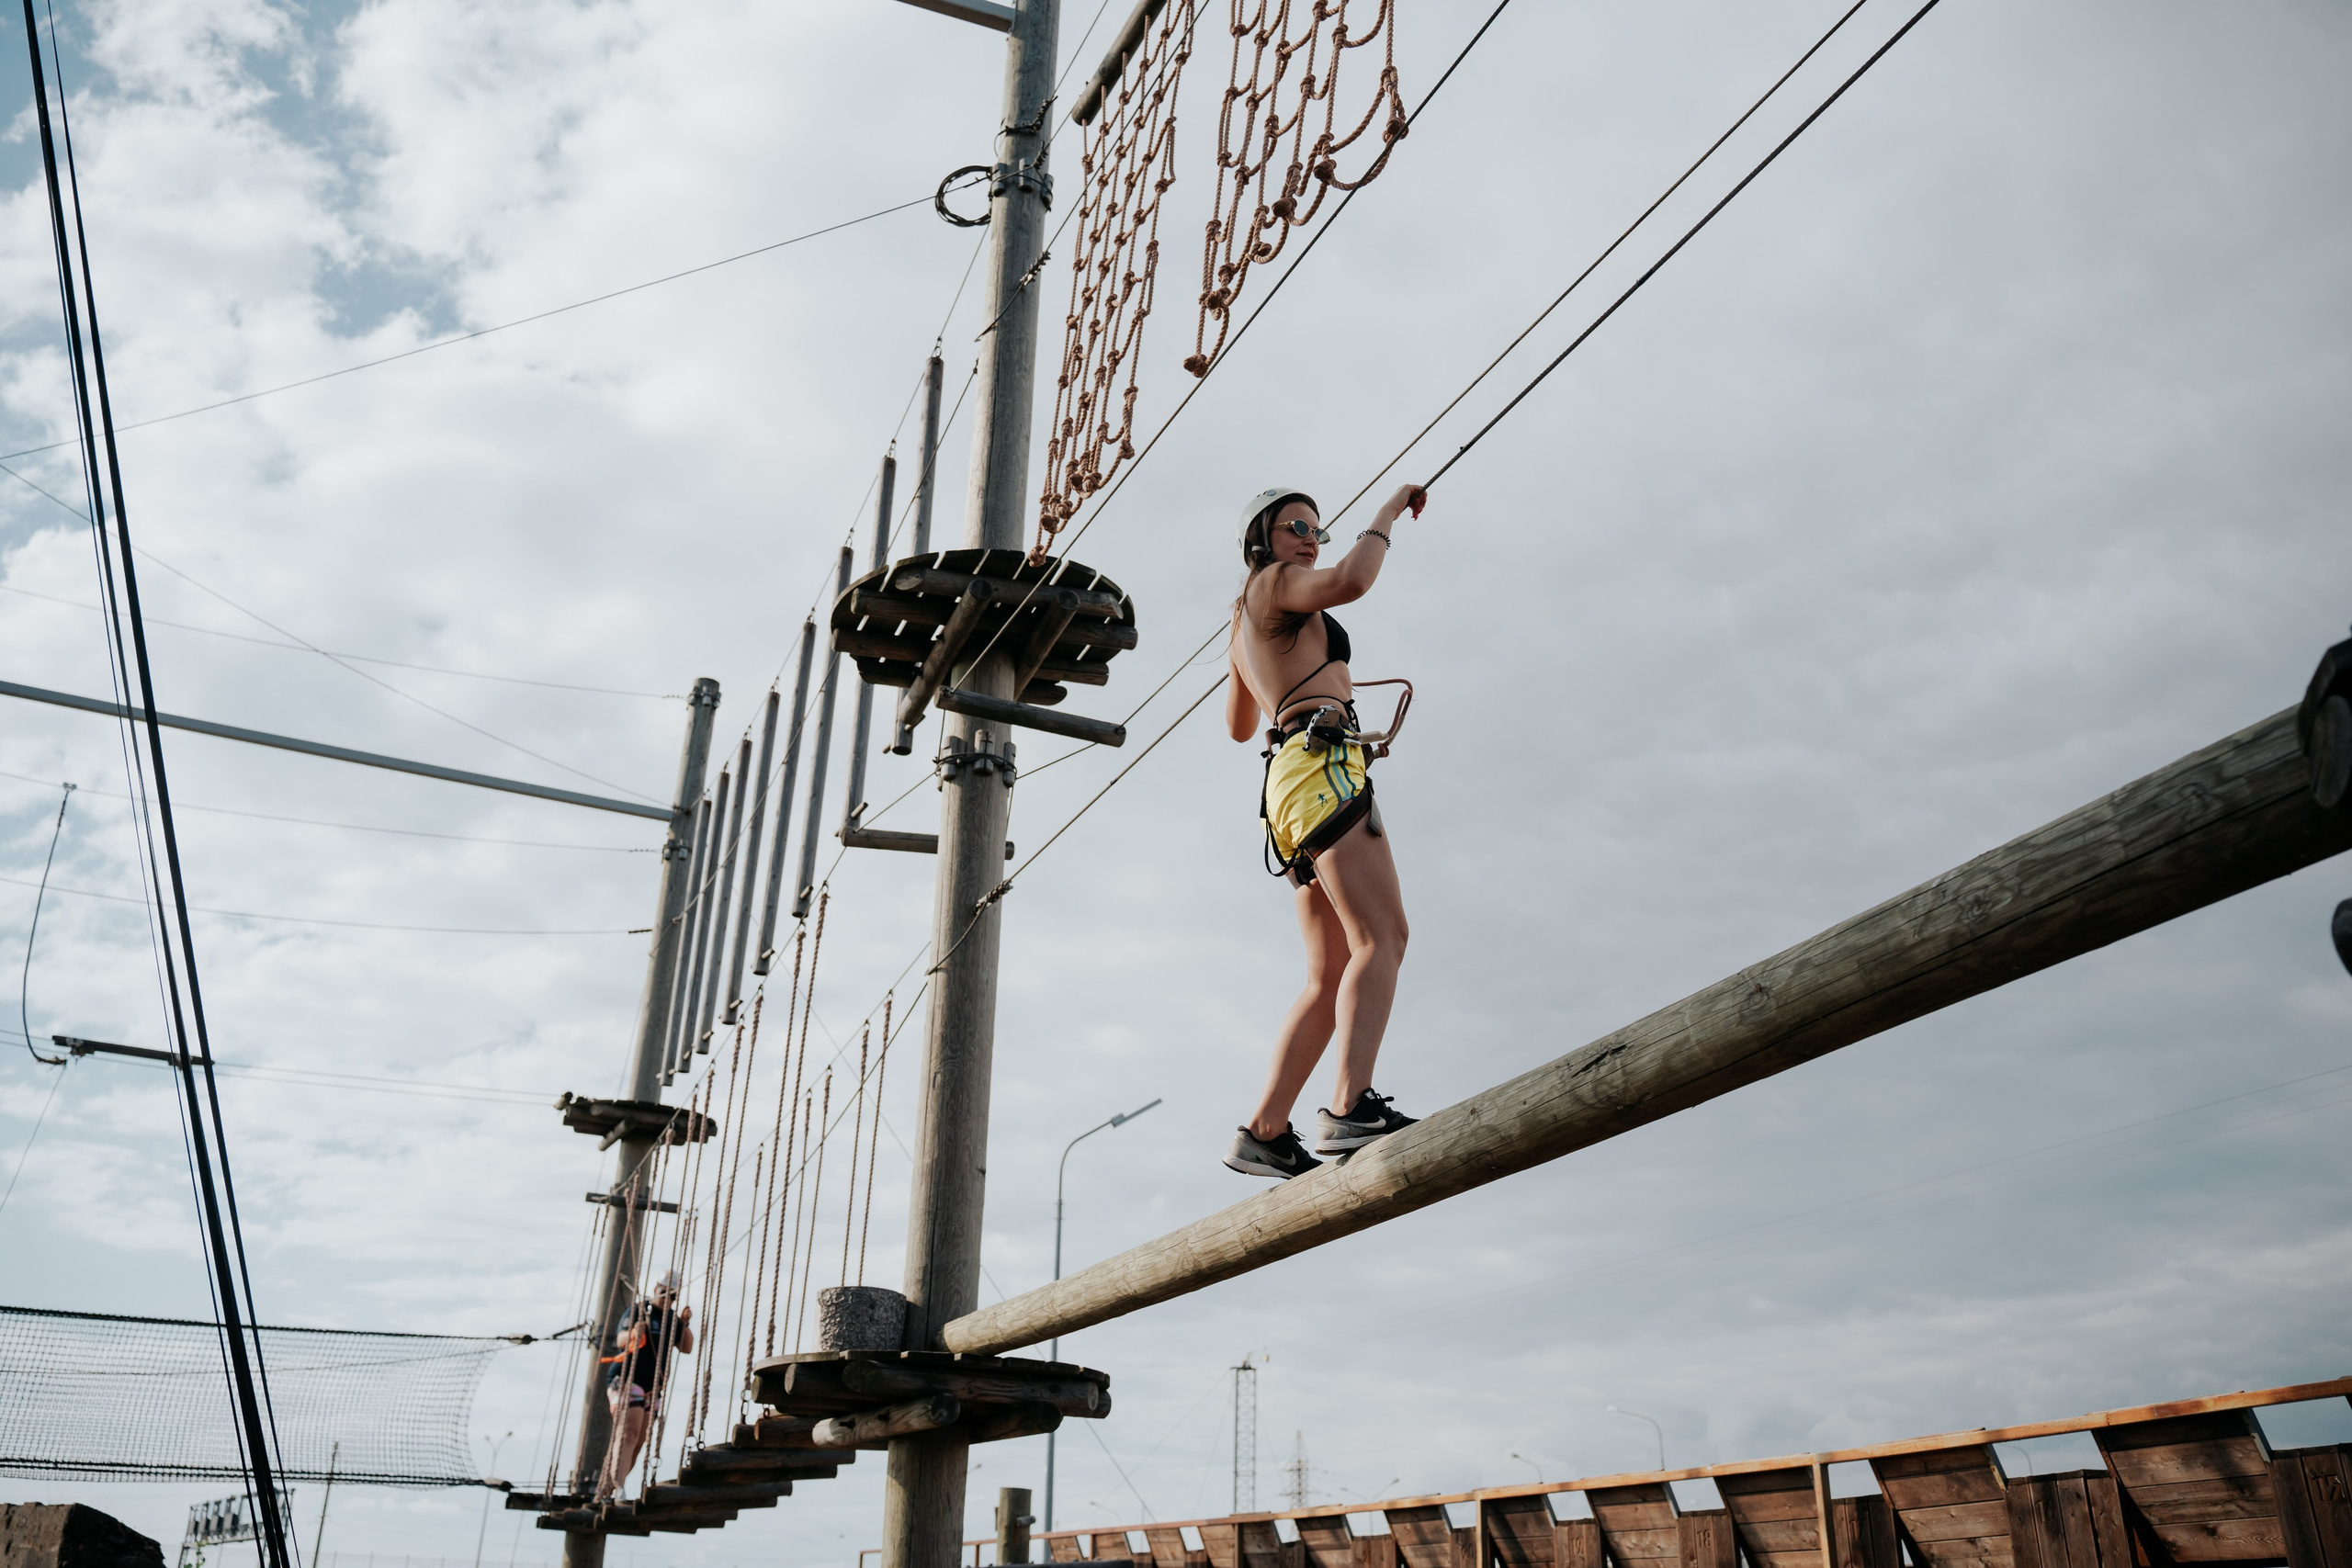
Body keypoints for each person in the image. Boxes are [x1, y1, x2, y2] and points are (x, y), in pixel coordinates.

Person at [1222, 483, 1425, 1180]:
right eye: (1294, 527)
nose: (1310, 537)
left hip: (1287, 781)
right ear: (1262, 543)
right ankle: (1349, 1107)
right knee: (1385, 936)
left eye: (1316, 528)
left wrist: (1287, 675)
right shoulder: (1275, 584)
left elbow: (1239, 724)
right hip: (1319, 769)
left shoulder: (1244, 616)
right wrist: (1390, 509)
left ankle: (1266, 1131)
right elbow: (1353, 580)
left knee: (1331, 970)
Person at [596, 1269, 694, 1498]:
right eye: (664, 1292)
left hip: (652, 1387)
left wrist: (685, 1323)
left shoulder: (672, 1319)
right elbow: (619, 1340)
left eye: (672, 1296)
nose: (667, 1298)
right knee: (628, 1431)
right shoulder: (640, 1310)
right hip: (627, 1379)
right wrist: (633, 1333)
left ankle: (607, 1488)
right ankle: (618, 1488)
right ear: (655, 1289)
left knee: (639, 1440)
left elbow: (687, 1347)